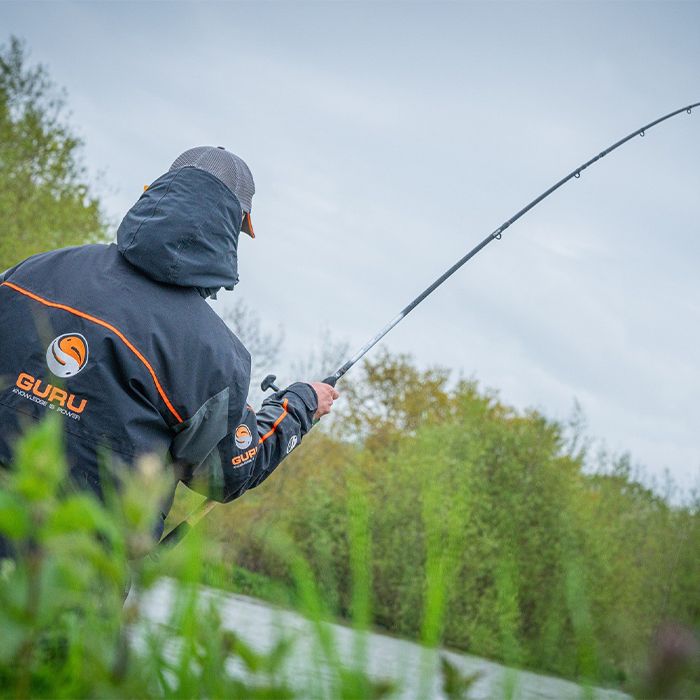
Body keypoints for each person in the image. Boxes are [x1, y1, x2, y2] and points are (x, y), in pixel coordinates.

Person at [0, 146, 339, 543]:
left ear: (155, 194)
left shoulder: (32, 272)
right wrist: (300, 404)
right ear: (234, 227)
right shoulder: (213, 355)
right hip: (77, 568)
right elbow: (227, 474)